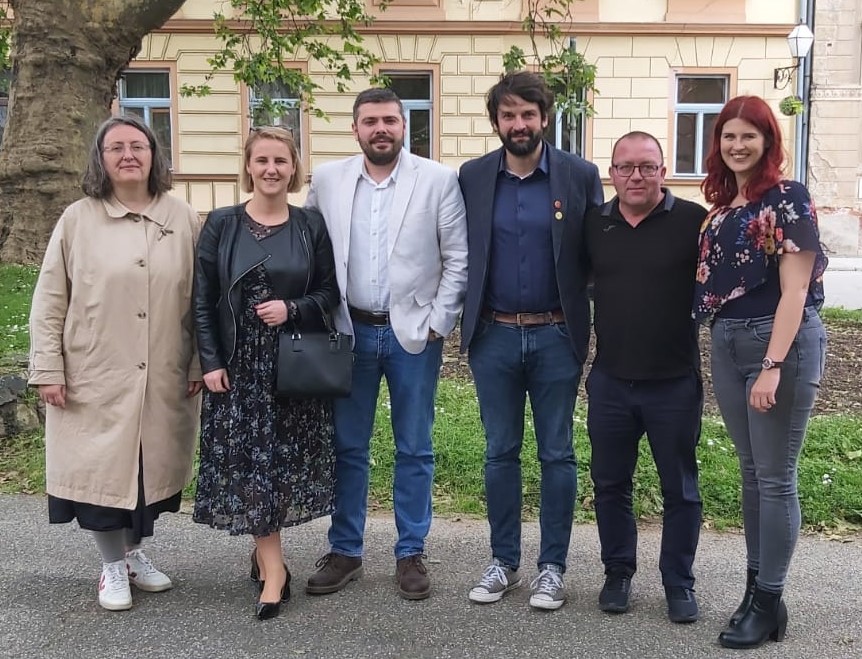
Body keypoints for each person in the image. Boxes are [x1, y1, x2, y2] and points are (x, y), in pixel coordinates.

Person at [28, 116, 201, 612]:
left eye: (138, 146)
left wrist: (196, 363)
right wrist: (48, 367)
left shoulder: (181, 218)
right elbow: (49, 299)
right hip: (95, 372)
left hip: (163, 372)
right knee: (101, 477)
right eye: (116, 148)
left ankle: (132, 553)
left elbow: (201, 301)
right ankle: (111, 566)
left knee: (146, 477)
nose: (128, 155)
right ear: (100, 159)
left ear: (154, 155)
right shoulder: (78, 220)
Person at [303, 87, 468, 601]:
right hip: (348, 332)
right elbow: (310, 247)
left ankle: (410, 551)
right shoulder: (328, 179)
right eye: (370, 121)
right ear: (355, 128)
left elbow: (457, 257)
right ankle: (345, 549)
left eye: (390, 121)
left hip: (412, 334)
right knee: (348, 446)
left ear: (404, 126)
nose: (381, 129)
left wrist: (439, 322)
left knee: (414, 447)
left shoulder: (437, 180)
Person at [459, 71, 603, 610]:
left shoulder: (579, 176)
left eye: (527, 114)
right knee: (500, 451)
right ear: (496, 121)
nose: (518, 124)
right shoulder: (473, 176)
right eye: (508, 115)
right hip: (493, 334)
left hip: (556, 335)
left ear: (544, 117)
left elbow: (596, 256)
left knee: (557, 452)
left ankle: (552, 568)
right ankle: (503, 561)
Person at [694, 95, 828, 649]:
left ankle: (768, 600)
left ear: (768, 140)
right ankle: (757, 591)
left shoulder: (787, 197)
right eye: (728, 135)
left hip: (777, 343)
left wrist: (772, 365)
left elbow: (795, 290)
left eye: (749, 135)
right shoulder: (724, 206)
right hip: (727, 341)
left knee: (775, 477)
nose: (737, 144)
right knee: (751, 473)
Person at [192, 127, 339, 621]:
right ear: (248, 167)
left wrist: (291, 308)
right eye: (262, 160)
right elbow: (202, 298)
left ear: (293, 168)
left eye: (281, 160)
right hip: (239, 366)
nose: (271, 169)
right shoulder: (222, 223)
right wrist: (210, 361)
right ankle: (275, 571)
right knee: (251, 464)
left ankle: (264, 555)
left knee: (277, 465)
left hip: (292, 364)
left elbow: (329, 294)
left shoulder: (309, 224)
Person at [584, 131, 707, 622]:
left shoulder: (694, 222)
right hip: (611, 381)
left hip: (674, 382)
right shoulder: (594, 224)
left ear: (663, 171)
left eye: (647, 166)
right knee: (610, 484)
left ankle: (678, 582)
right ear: (611, 173)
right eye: (626, 167)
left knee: (681, 489)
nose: (636, 176)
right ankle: (618, 573)